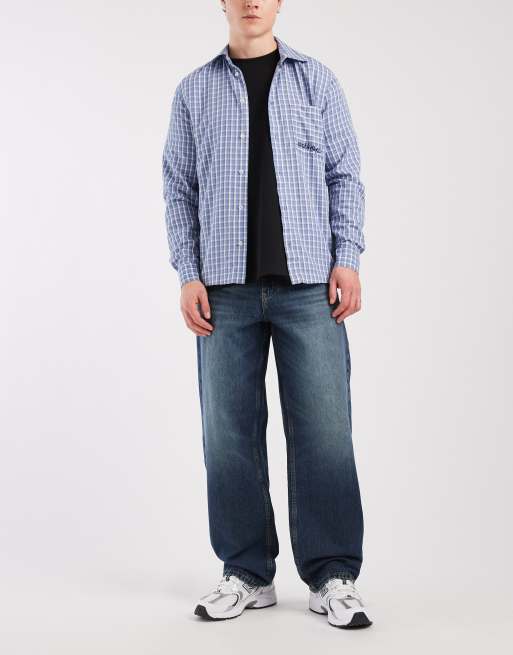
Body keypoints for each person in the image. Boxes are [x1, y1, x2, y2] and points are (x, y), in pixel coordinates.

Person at [162, 0, 372, 629]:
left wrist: (347, 257)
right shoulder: (194, 90)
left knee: (325, 433)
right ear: (222, 3)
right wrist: (188, 272)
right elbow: (177, 186)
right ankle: (247, 572)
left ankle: (332, 576)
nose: (252, 1)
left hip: (309, 287)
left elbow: (345, 174)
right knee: (228, 436)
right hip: (223, 291)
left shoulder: (316, 81)